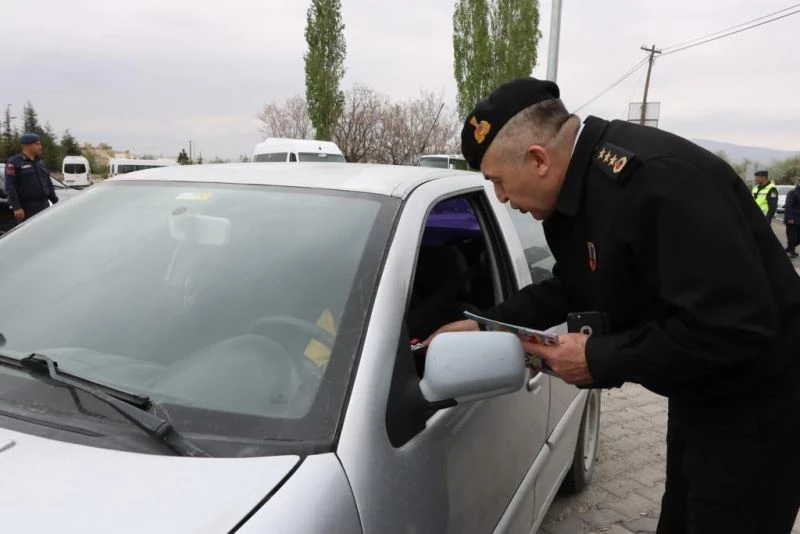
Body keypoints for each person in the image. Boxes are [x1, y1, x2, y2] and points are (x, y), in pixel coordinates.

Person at [426, 77, 800, 533]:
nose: (502, 199)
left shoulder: (658, 182)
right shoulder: (576, 196)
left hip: (762, 406)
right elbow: (573, 286)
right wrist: (488, 325)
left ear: (538, 159)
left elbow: (735, 330)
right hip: (702, 390)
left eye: (499, 183)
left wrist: (600, 360)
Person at [4, 132, 58, 224]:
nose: (40, 146)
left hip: (44, 205)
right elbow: (10, 186)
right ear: (27, 145)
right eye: (37, 144)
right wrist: (17, 207)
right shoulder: (14, 162)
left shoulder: (40, 163)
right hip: (26, 208)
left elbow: (48, 183)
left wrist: (55, 201)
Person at [784, 179, 800, 258]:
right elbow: (789, 206)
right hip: (793, 219)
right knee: (792, 237)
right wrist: (790, 218)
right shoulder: (792, 193)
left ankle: (789, 248)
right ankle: (792, 251)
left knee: (797, 238)